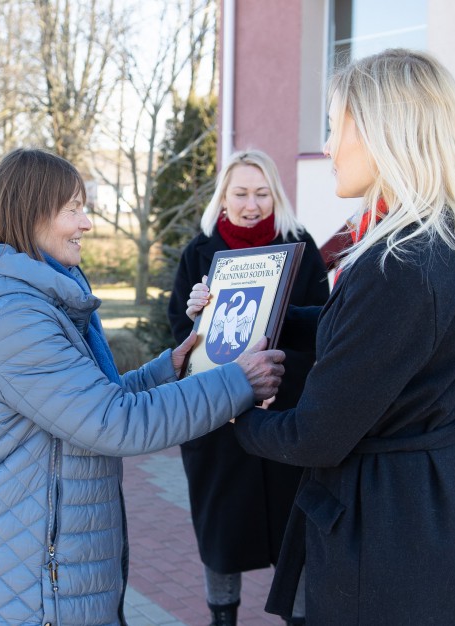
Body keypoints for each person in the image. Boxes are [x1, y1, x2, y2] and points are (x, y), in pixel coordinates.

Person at [194, 49, 455, 624]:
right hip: (448, 502)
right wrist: (256, 313)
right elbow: (374, 340)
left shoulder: (398, 263)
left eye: (334, 127)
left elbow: (314, 437)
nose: (326, 148)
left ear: (383, 133)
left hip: (388, 532)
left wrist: (230, 413)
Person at [0, 148, 286, 626]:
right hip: (16, 580)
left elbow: (92, 398)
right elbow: (114, 422)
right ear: (31, 215)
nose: (87, 223)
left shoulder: (35, 300)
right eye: (73, 209)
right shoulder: (16, 318)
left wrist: (168, 370)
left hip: (34, 562)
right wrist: (238, 380)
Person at [168, 149, 330, 626]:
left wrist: (273, 379)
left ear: (276, 196)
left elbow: (323, 331)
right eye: (240, 193)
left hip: (286, 418)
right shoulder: (199, 253)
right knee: (222, 535)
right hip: (218, 423)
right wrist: (196, 318)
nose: (251, 204)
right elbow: (179, 338)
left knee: (294, 535)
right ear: (223, 198)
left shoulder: (300, 247)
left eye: (262, 193)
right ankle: (222, 618)